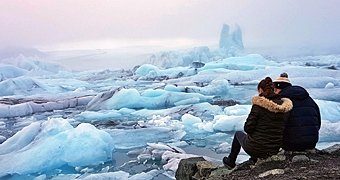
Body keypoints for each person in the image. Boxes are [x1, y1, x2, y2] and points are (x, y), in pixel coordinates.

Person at [223, 77, 293, 169]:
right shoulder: (284, 107)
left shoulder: (258, 106)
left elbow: (248, 128)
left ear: (260, 90)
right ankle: (254, 159)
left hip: (256, 148)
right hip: (274, 149)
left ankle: (230, 162)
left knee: (238, 134)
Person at [273, 73, 321, 151]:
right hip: (311, 142)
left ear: (277, 89)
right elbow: (318, 121)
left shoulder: (283, 101)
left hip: (290, 144)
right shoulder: (309, 100)